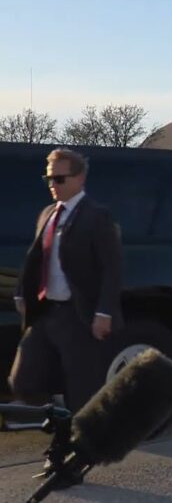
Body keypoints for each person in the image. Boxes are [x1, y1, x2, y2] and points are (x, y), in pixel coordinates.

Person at [9, 148, 123, 413]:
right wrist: (20, 293)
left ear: (80, 178)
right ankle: (54, 416)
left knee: (82, 388)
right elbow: (35, 258)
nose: (53, 185)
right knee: (22, 379)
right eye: (49, 179)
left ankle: (82, 438)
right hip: (45, 312)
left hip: (78, 314)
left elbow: (112, 269)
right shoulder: (47, 214)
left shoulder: (97, 216)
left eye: (59, 179)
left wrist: (103, 312)